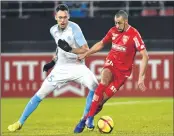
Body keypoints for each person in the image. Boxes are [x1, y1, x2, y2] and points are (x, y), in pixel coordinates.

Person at [7, 4, 98, 132]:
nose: (63, 20)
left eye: (65, 17)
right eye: (60, 17)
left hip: (77, 66)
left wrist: (70, 49)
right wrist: (52, 62)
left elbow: (86, 49)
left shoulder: (74, 28)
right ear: (55, 17)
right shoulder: (53, 30)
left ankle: (88, 119)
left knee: (95, 86)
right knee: (40, 94)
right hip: (60, 68)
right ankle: (19, 122)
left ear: (69, 17)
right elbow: (58, 48)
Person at [61, 10, 149, 133]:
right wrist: (87, 53)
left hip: (122, 74)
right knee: (104, 80)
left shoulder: (134, 34)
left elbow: (145, 56)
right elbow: (101, 44)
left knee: (100, 102)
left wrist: (141, 77)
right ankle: (84, 120)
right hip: (111, 63)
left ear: (126, 22)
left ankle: (89, 118)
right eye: (115, 23)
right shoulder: (113, 31)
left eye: (119, 23)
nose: (117, 26)